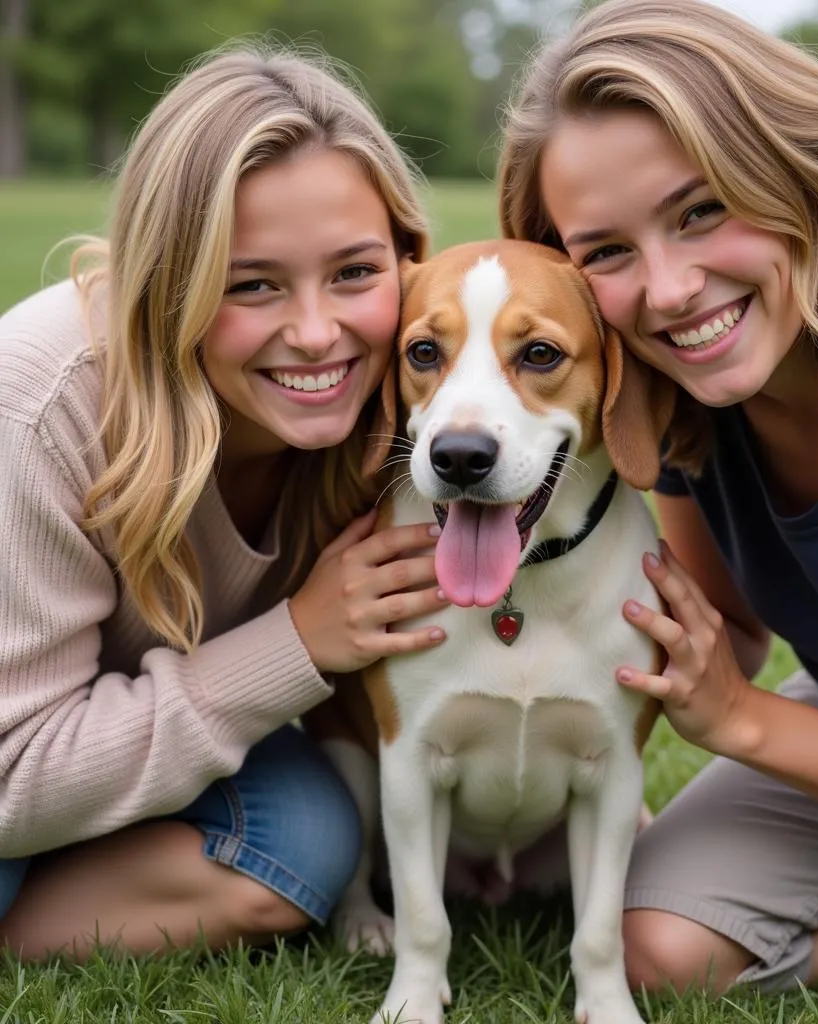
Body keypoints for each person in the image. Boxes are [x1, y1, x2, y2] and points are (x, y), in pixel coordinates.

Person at [498, 2, 818, 1022]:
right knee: (652, 943)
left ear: (796, 169)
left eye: (701, 211)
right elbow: (721, 633)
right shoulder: (680, 382)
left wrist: (741, 722)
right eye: (605, 252)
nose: (670, 289)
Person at [0, 43, 450, 961]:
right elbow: (10, 779)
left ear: (409, 259)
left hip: (106, 722)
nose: (319, 333)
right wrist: (297, 642)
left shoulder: (408, 405)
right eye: (253, 284)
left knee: (303, 843)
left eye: (356, 272)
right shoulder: (46, 404)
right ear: (171, 285)